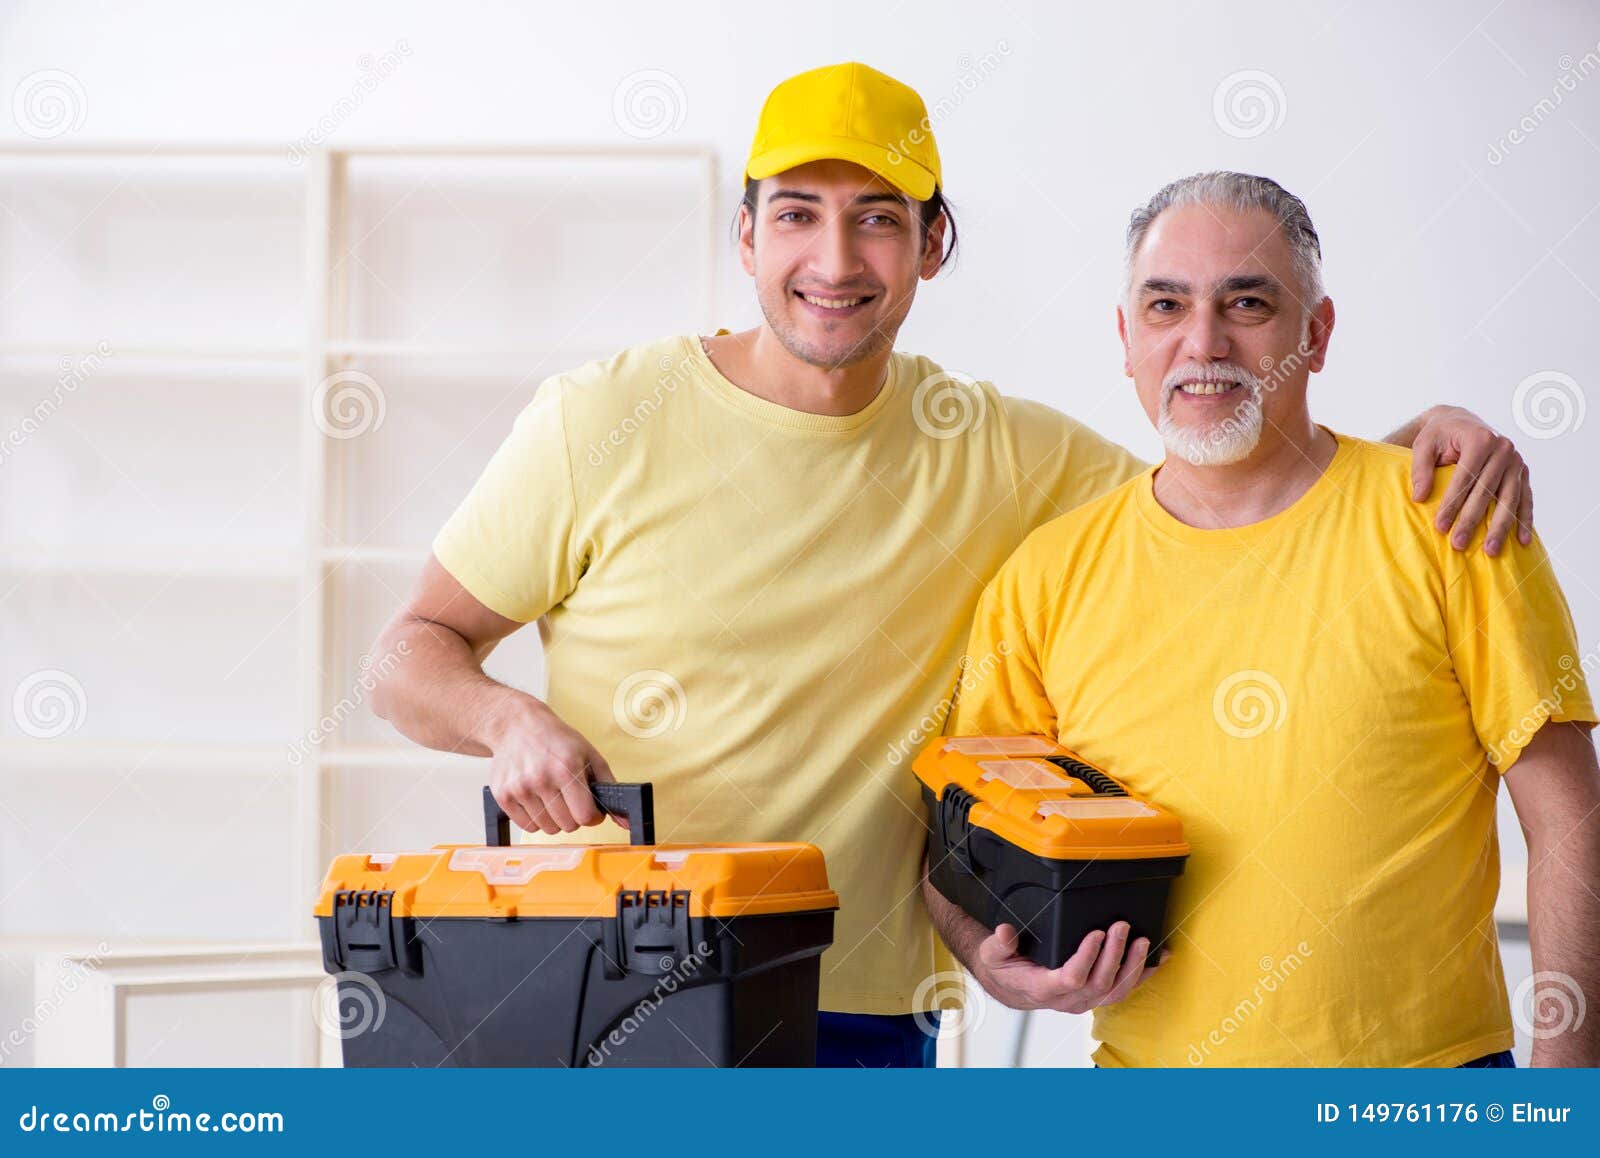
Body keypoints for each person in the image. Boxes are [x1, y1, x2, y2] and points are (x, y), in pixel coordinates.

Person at [368, 65, 1538, 1068]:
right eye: (797, 214)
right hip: (603, 981)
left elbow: (1228, 484)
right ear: (747, 237)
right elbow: (405, 657)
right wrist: (507, 721)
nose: (835, 259)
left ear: (933, 245)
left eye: (877, 217)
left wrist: (1413, 451)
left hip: (864, 1008)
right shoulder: (600, 419)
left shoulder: (1004, 453)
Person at [935, 170, 1599, 1067]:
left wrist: (1567, 1099)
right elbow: (955, 844)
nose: (1203, 342)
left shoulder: (1451, 523)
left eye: (1247, 304)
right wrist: (988, 961)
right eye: (1166, 306)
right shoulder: (1043, 580)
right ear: (1127, 339)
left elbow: (1568, 820)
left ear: (1315, 335)